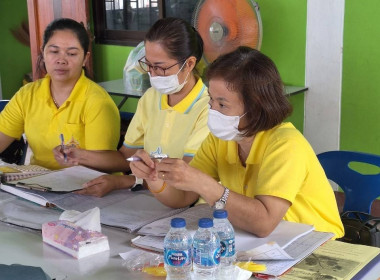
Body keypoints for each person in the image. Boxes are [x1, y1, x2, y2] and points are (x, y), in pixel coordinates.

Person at [130, 46, 344, 238]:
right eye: (211, 100)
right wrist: (154, 176)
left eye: (222, 105)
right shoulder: (220, 140)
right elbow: (183, 197)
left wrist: (204, 184)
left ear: (256, 106)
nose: (212, 111)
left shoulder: (286, 145)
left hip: (317, 245)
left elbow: (263, 223)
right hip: (263, 243)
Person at [54, 17, 209, 197]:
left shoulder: (207, 107)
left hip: (186, 202)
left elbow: (184, 180)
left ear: (189, 64)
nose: (152, 74)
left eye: (160, 67)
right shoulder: (151, 98)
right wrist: (80, 156)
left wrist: (124, 180)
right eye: (148, 65)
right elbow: (125, 157)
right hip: (151, 195)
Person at [0, 18, 120, 170]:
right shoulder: (27, 95)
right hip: (39, 183)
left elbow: (103, 166)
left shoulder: (97, 102)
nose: (61, 60)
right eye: (54, 51)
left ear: (85, 59)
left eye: (71, 53)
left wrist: (78, 157)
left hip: (86, 185)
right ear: (43, 54)